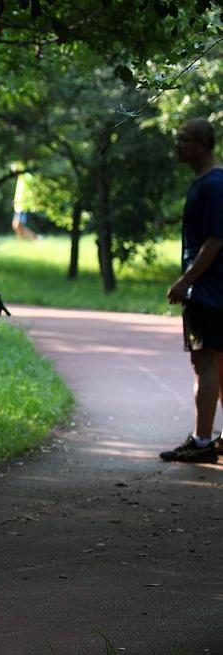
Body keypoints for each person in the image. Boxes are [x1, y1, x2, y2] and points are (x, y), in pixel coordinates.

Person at [160, 117, 223, 464]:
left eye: (183, 140)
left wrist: (187, 281)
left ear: (202, 144)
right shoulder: (207, 182)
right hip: (212, 289)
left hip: (209, 291)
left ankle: (202, 441)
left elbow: (215, 240)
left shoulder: (214, 184)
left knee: (204, 362)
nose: (177, 147)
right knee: (218, 362)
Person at [11, 166, 39, 240]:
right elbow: (20, 191)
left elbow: (33, 190)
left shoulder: (27, 176)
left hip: (23, 206)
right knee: (16, 225)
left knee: (18, 225)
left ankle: (35, 237)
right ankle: (23, 240)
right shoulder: (20, 178)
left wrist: (34, 204)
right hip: (18, 205)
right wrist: (15, 200)